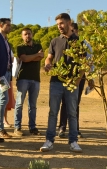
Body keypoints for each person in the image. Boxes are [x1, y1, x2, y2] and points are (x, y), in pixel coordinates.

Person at [40, 13, 85, 153]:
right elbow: (49, 58)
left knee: (72, 113)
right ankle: (49, 141)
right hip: (56, 82)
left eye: (61, 23)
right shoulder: (54, 41)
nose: (59, 26)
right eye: (58, 24)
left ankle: (73, 142)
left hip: (72, 83)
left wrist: (78, 80)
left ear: (69, 23)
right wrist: (47, 64)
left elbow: (84, 64)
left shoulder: (79, 41)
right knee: (53, 112)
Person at [58, 22, 94, 138]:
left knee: (75, 103)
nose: (71, 33)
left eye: (73, 31)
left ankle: (75, 129)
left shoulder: (85, 44)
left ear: (77, 31)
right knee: (64, 102)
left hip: (79, 77)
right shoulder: (64, 42)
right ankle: (62, 127)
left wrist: (90, 78)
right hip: (65, 77)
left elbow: (89, 62)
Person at [14, 28, 43, 136]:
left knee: (33, 105)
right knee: (19, 104)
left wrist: (30, 57)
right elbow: (24, 59)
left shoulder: (38, 46)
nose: (27, 36)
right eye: (25, 34)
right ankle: (17, 127)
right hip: (23, 78)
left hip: (36, 79)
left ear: (32, 34)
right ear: (22, 36)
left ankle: (32, 127)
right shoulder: (20, 47)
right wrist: (36, 55)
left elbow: (41, 56)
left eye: (29, 34)